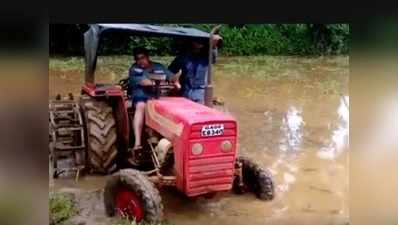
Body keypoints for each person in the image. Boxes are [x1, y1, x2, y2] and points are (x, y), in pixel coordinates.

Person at [128, 47, 180, 151]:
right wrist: (160, 81)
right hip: (141, 98)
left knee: (171, 106)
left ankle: (173, 139)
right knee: (141, 106)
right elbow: (145, 82)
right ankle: (137, 143)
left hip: (156, 98)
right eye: (137, 59)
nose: (140, 61)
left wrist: (176, 82)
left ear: (148, 57)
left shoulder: (159, 66)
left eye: (142, 58)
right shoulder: (134, 69)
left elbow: (171, 77)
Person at [168, 35, 222, 104]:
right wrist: (175, 82)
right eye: (197, 41)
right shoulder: (183, 57)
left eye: (201, 41)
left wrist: (214, 45)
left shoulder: (207, 57)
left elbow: (213, 55)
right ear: (192, 42)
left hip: (200, 93)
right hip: (185, 92)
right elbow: (170, 71)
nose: (199, 43)